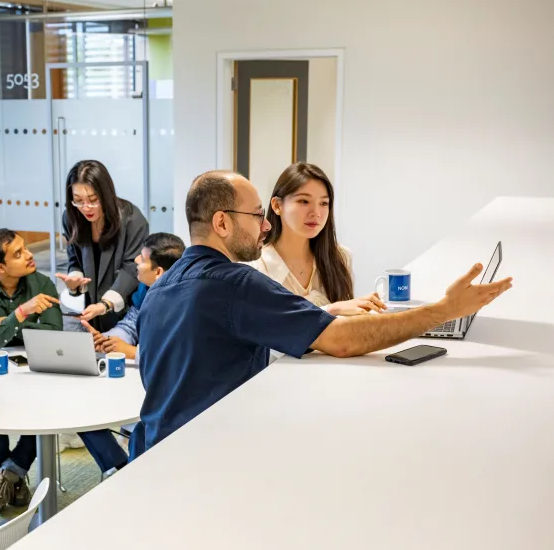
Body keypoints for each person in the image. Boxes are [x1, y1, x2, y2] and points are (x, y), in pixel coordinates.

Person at [131, 170, 512, 459]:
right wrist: (444, 311)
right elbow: (341, 340)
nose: (265, 225)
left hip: (153, 449)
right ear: (221, 223)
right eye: (257, 215)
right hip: (206, 455)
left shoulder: (160, 288)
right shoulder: (236, 283)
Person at [0, 228, 129, 514]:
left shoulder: (41, 283)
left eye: (25, 249)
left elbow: (52, 331)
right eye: (18, 254)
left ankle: (9, 474)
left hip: (31, 367)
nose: (29, 256)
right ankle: (8, 470)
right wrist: (22, 313)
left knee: (56, 407)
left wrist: (6, 323)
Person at [246, 162, 386, 316]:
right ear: (277, 205)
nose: (316, 213)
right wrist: (331, 309)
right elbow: (266, 330)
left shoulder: (341, 257)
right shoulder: (256, 267)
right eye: (304, 201)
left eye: (323, 203)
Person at [56, 160, 149, 332]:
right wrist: (75, 279)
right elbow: (74, 259)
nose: (86, 208)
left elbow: (132, 268)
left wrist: (106, 304)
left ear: (106, 194)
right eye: (78, 200)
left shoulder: (132, 219)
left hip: (126, 313)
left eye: (93, 199)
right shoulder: (71, 218)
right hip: (91, 311)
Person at [82, 232, 186, 360]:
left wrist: (133, 352)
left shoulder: (186, 304)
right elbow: (131, 324)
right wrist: (107, 341)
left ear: (158, 272)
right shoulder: (146, 287)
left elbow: (178, 357)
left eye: (142, 259)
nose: (136, 260)